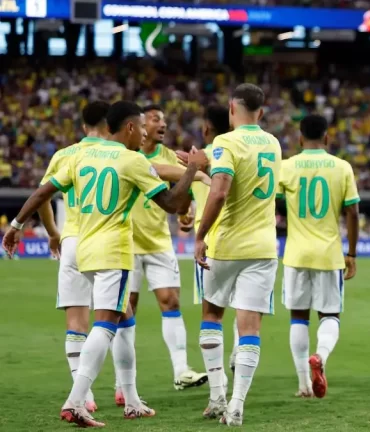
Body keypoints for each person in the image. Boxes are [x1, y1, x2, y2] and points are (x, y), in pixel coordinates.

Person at [2, 101, 207, 427]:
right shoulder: (132, 160)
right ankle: (76, 400)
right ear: (128, 128)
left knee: (121, 321)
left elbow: (43, 193)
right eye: (141, 127)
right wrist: (195, 170)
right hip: (113, 252)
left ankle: (132, 400)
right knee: (107, 324)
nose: (143, 134)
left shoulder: (80, 155)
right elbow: (170, 203)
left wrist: (15, 225)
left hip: (81, 248)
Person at [194, 84, 282, 426]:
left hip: (227, 245)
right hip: (262, 248)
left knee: (212, 314)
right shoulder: (273, 143)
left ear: (232, 108)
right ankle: (237, 404)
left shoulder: (225, 143)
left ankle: (217, 395)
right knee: (250, 329)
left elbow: (218, 193)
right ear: (260, 112)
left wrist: (200, 235)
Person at [115, 104, 206, 399]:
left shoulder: (171, 157)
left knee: (171, 301)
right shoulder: (126, 155)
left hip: (156, 240)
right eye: (155, 120)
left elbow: (183, 196)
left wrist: (184, 213)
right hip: (125, 240)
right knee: (125, 309)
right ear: (140, 124)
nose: (162, 124)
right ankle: (122, 384)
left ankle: (181, 370)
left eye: (164, 120)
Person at [277, 115, 360, 399]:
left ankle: (303, 385)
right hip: (329, 254)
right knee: (330, 315)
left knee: (298, 317)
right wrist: (351, 253)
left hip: (296, 253)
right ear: (327, 138)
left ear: (300, 139)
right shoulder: (342, 168)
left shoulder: (285, 167)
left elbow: (272, 205)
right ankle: (320, 356)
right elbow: (353, 212)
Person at [38, 100, 111, 414]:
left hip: (72, 241)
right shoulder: (118, 155)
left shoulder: (65, 155)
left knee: (76, 322)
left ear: (83, 127)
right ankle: (127, 391)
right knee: (114, 317)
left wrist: (54, 231)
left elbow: (43, 196)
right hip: (107, 242)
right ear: (110, 124)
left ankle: (85, 396)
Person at [176, 104, 241, 372]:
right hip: (247, 237)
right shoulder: (242, 151)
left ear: (206, 128)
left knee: (212, 313)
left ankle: (217, 383)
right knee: (245, 305)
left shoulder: (200, 157)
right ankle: (240, 349)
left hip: (211, 241)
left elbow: (186, 196)